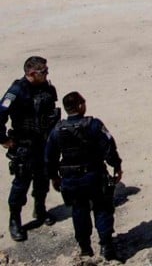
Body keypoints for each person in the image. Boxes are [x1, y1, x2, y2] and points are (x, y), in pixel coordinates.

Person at [45, 91, 122, 260]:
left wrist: (54, 177)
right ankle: (106, 246)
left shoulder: (57, 130)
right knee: (102, 209)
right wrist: (117, 167)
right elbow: (109, 147)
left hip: (71, 180)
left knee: (79, 211)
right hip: (94, 176)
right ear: (80, 106)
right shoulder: (93, 125)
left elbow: (49, 157)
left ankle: (85, 247)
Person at [0, 56, 59, 242]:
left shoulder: (46, 87)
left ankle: (40, 209)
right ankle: (15, 220)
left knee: (43, 178)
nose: (47, 74)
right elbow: (0, 114)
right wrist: (3, 139)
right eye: (44, 71)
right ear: (32, 73)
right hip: (24, 145)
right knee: (21, 182)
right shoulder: (17, 91)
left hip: (44, 143)